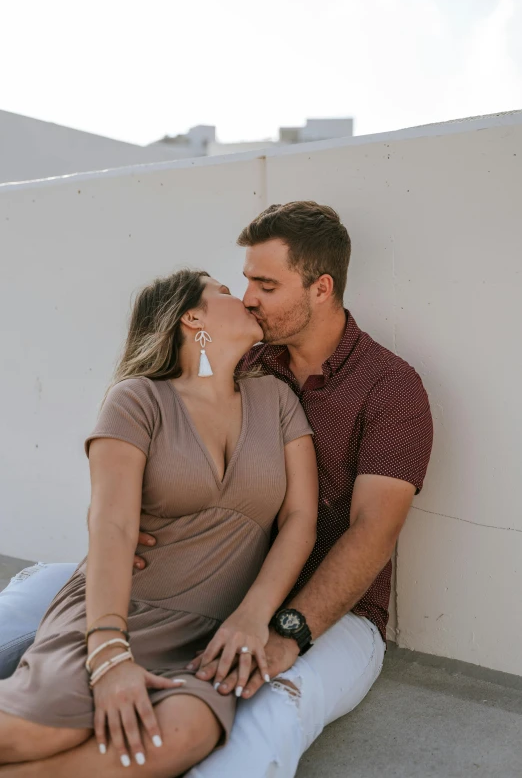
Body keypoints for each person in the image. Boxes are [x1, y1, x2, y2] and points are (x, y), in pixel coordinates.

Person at [0, 201, 433, 777]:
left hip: (312, 611)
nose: (249, 297)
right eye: (241, 283)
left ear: (321, 287)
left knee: (259, 723)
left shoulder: (387, 386)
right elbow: (120, 502)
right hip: (163, 578)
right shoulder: (243, 361)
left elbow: (371, 531)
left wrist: (280, 628)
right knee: (27, 618)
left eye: (264, 283)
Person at [0, 269, 318, 776]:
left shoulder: (276, 400)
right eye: (223, 291)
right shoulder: (138, 399)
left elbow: (302, 518)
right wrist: (109, 653)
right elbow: (111, 526)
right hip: (120, 611)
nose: (243, 298)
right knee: (39, 729)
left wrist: (253, 615)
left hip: (207, 638)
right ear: (192, 317)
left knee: (180, 735)